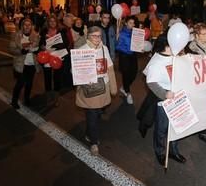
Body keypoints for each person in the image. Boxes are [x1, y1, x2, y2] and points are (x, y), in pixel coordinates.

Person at [143, 35, 186, 165]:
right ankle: (160, 152)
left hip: (179, 97)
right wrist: (164, 93)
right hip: (165, 101)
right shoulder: (156, 62)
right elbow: (151, 83)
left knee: (177, 126)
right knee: (162, 128)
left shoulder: (175, 55)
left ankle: (173, 151)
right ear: (166, 46)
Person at [74, 27, 118, 155]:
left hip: (102, 88)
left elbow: (110, 68)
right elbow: (75, 72)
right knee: (92, 115)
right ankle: (94, 142)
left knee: (97, 113)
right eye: (94, 36)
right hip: (89, 90)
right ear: (88, 36)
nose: (97, 39)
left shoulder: (104, 49)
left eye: (99, 36)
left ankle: (89, 133)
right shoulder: (81, 51)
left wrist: (113, 87)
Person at [9, 17, 40, 108]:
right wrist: (20, 51)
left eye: (29, 25)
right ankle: (14, 101)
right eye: (25, 25)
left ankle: (27, 99)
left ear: (32, 26)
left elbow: (39, 48)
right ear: (22, 26)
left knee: (29, 84)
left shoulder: (36, 36)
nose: (27, 26)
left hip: (32, 64)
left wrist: (37, 51)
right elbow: (11, 49)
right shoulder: (16, 35)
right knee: (20, 83)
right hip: (20, 64)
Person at [39, 15, 67, 104]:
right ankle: (48, 95)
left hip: (58, 57)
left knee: (57, 77)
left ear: (57, 22)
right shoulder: (44, 32)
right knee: (47, 77)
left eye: (54, 21)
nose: (52, 23)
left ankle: (56, 97)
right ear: (48, 22)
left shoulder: (61, 31)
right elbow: (41, 44)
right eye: (50, 21)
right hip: (46, 56)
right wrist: (42, 46)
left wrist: (53, 45)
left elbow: (66, 43)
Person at [116, 16, 139, 105]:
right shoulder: (121, 33)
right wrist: (117, 37)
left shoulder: (136, 33)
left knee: (134, 73)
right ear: (126, 23)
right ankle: (128, 93)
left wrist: (141, 47)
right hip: (124, 56)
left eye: (133, 23)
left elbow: (138, 45)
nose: (132, 25)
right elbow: (117, 46)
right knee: (126, 74)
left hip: (133, 55)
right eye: (130, 23)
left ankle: (124, 87)